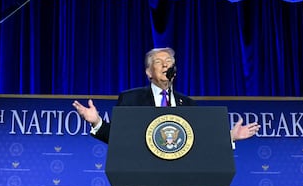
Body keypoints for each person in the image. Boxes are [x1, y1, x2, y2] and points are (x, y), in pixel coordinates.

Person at [72, 47, 260, 144]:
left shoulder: (188, 105)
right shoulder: (131, 99)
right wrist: (96, 122)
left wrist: (229, 137)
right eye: (158, 62)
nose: (164, 65)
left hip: (181, 181)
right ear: (148, 72)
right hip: (140, 180)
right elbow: (118, 139)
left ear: (174, 70)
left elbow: (200, 142)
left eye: (169, 62)